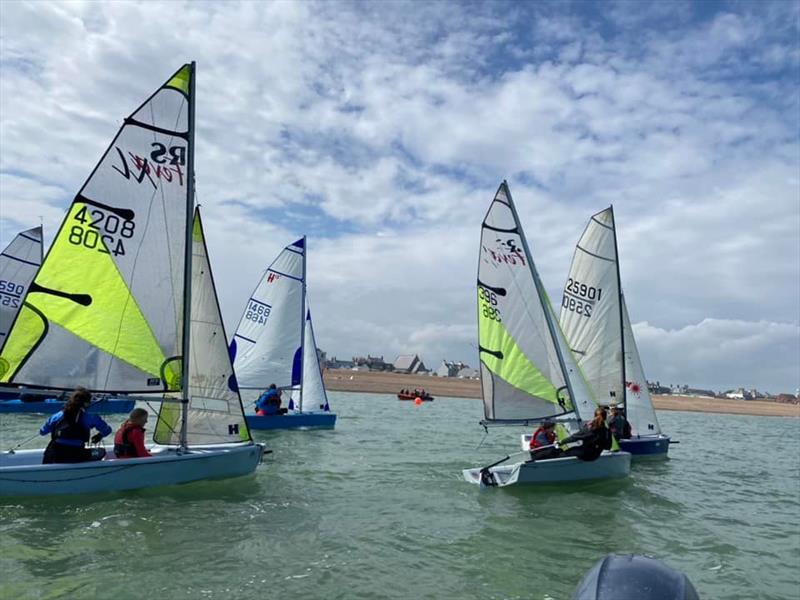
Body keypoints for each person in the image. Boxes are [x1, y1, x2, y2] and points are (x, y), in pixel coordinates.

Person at [39, 387, 112, 464]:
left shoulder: (56, 416)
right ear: (86, 403)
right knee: (101, 452)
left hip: (56, 455)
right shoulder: (91, 417)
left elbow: (42, 432)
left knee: (50, 451)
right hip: (76, 455)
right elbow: (107, 430)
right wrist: (99, 436)